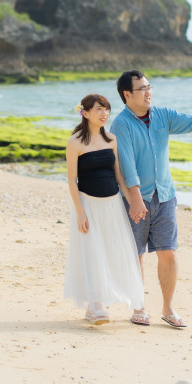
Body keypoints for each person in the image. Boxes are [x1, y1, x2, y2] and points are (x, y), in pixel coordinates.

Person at [110, 70, 192, 329]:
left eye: (149, 87)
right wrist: (135, 199)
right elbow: (126, 165)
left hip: (165, 195)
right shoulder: (121, 124)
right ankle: (138, 306)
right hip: (136, 198)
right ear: (127, 94)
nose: (148, 92)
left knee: (168, 252)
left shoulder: (163, 115)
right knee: (136, 254)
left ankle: (168, 308)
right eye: (142, 89)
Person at [64, 94, 144, 325]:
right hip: (88, 204)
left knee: (111, 252)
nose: (104, 114)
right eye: (99, 109)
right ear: (85, 113)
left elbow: (118, 175)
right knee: (91, 253)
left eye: (107, 109)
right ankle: (96, 306)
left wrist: (132, 202)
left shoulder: (111, 139)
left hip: (112, 205)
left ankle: (98, 307)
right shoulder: (75, 142)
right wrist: (80, 212)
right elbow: (71, 180)